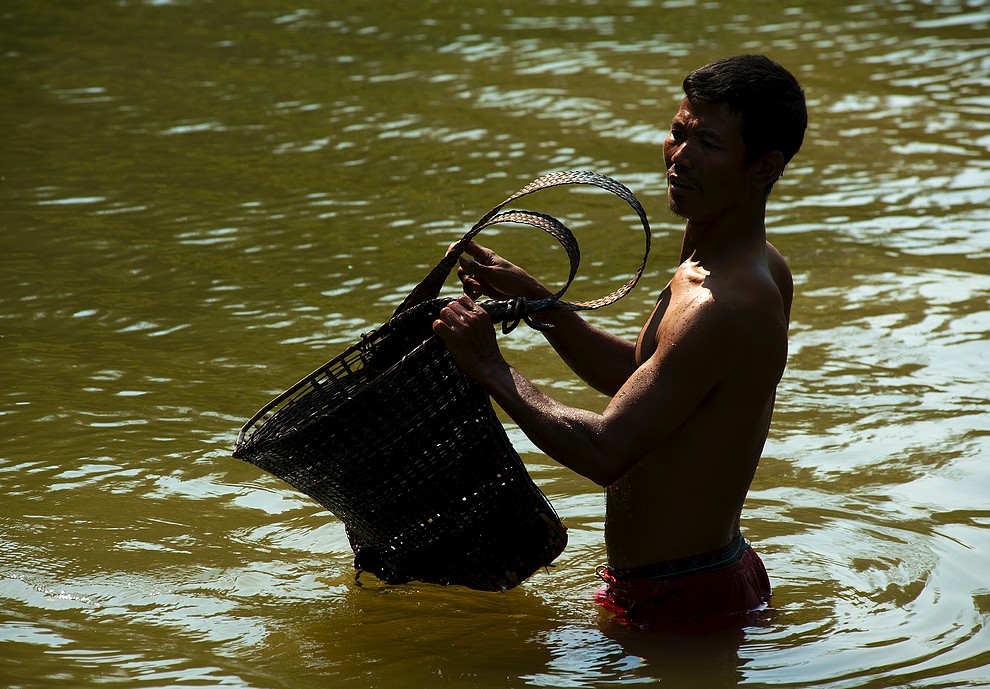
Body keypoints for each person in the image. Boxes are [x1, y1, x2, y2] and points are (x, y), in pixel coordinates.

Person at [432, 54, 807, 628]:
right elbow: (645, 378)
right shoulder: (736, 262)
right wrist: (540, 304)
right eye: (679, 132)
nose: (680, 156)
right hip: (685, 579)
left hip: (685, 598)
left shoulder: (726, 304)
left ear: (763, 168)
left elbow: (605, 450)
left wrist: (490, 367)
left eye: (708, 143)